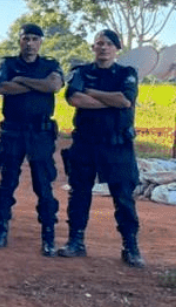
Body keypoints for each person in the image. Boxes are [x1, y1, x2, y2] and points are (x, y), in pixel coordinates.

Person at [58, 29, 145, 268]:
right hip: (85, 143)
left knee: (123, 196)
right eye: (99, 43)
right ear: (93, 47)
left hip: (117, 145)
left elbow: (124, 100)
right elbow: (74, 99)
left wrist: (92, 93)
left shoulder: (127, 73)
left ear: (117, 48)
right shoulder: (80, 72)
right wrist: (108, 100)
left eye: (108, 44)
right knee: (79, 193)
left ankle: (131, 246)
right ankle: (76, 241)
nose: (103, 47)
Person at [0, 23, 63, 255]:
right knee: (7, 182)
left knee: (43, 184)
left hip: (40, 133)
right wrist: (36, 84)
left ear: (40, 42)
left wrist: (21, 79)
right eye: (25, 38)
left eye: (34, 39)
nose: (29, 43)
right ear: (19, 40)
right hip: (13, 131)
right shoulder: (7, 63)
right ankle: (1, 232)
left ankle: (48, 237)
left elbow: (54, 86)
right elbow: (2, 88)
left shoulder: (50, 64)